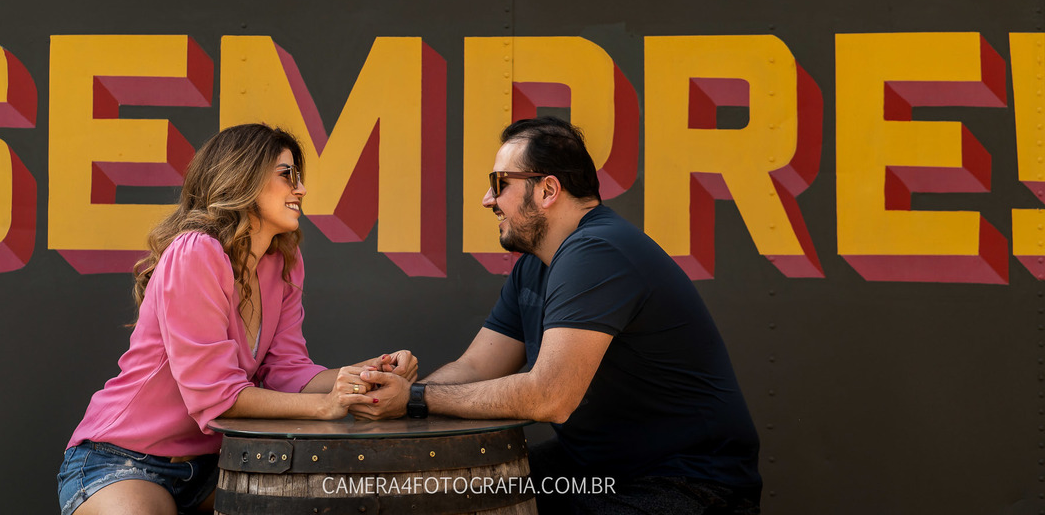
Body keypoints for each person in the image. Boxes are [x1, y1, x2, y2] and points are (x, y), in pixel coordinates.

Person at [352, 117, 761, 514]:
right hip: (593, 471)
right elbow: (476, 366)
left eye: (499, 184)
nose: (487, 200)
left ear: (547, 189)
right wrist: (397, 394)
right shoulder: (536, 264)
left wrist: (417, 399)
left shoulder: (598, 251)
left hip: (684, 484)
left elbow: (550, 397)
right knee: (443, 487)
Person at [57, 123, 417, 515]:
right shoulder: (196, 251)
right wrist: (325, 406)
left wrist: (364, 375)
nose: (301, 189)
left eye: (300, 177)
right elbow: (215, 397)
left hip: (216, 466)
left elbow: (287, 372)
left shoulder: (282, 265)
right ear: (242, 175)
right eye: (287, 175)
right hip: (123, 459)